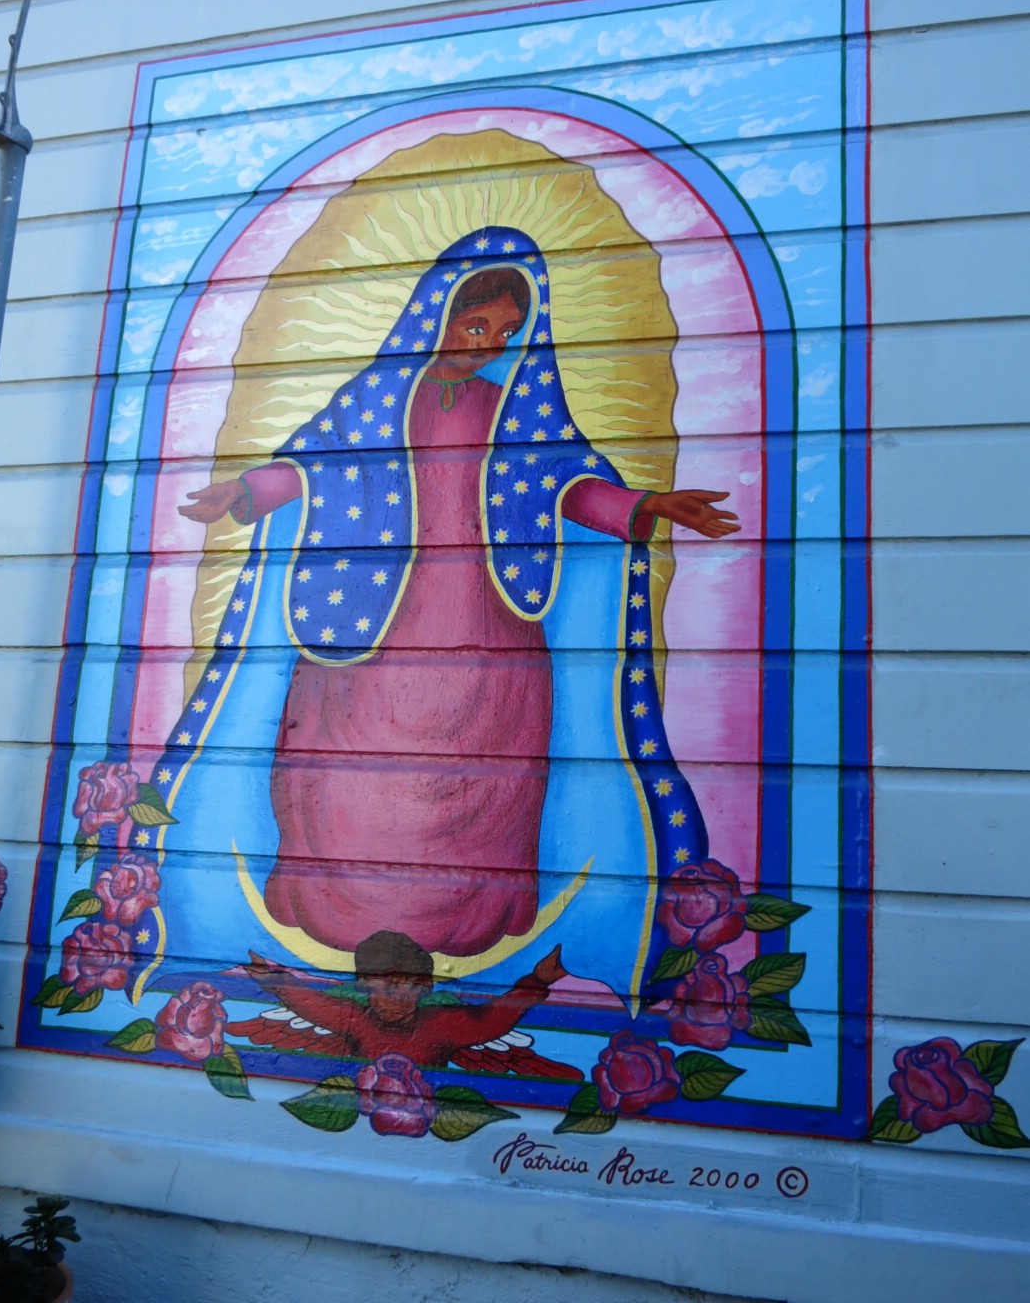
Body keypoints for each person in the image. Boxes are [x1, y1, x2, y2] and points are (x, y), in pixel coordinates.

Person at [139, 226, 737, 999]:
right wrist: (243, 492)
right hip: (375, 622)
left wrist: (647, 504)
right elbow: (315, 464)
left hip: (490, 624)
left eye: (505, 334)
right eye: (475, 324)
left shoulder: (513, 412)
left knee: (482, 779)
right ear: (437, 314)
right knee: (351, 771)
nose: (487, 345)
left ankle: (465, 923)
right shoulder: (378, 399)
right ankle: (343, 915)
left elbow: (568, 483)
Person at [230, 931, 582, 1073]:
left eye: (411, 987)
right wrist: (271, 979)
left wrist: (537, 982)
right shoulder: (357, 1018)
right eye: (388, 986)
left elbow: (490, 1021)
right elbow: (312, 1004)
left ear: (425, 989)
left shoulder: (440, 1024)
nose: (399, 998)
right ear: (364, 986)